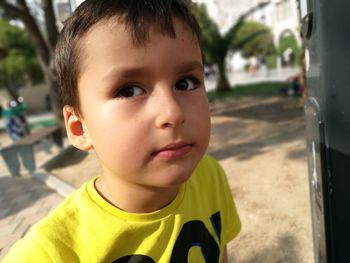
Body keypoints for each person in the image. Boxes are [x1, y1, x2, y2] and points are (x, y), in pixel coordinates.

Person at [3, 0, 241, 262]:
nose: (172, 113)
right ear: (79, 127)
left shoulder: (210, 178)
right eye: (129, 90)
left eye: (186, 83)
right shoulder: (49, 254)